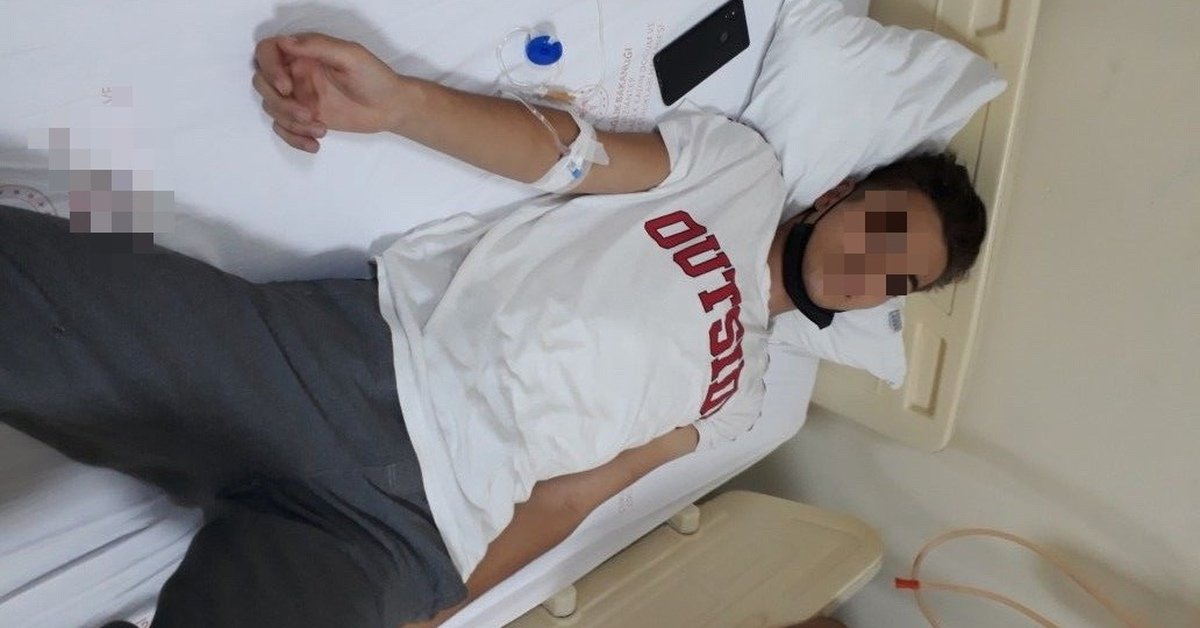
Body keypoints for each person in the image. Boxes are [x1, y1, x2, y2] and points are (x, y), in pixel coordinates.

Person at [0, 32, 985, 628]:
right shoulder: (742, 172)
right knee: (36, 302)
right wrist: (401, 104)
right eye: (885, 231)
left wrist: (450, 607)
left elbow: (577, 495)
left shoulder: (744, 398)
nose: (871, 270)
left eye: (896, 280)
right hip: (354, 369)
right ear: (846, 194)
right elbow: (571, 157)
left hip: (408, 536)